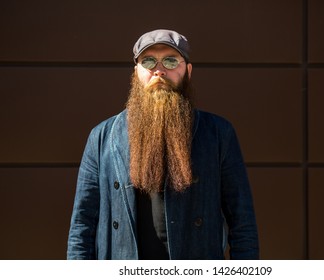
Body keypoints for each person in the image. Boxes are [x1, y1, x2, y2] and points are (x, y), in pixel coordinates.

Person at [67, 29, 259, 260]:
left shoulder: (218, 133)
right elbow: (82, 224)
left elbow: (242, 221)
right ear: (135, 72)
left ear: (187, 70)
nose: (159, 70)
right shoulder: (103, 136)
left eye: (170, 60)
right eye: (148, 61)